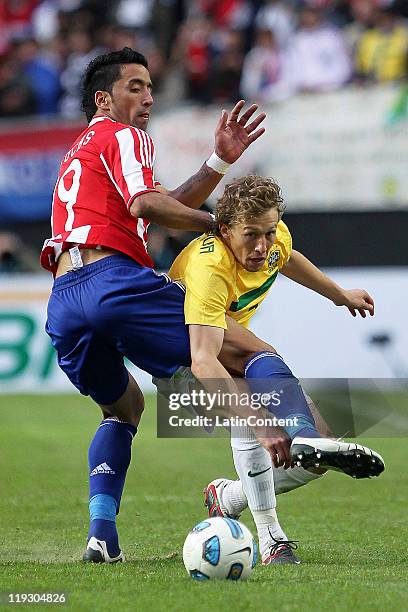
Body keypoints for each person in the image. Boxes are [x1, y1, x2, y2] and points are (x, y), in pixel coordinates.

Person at [41, 46, 268, 563]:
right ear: (105, 97)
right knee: (240, 349)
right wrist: (223, 224)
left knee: (124, 408)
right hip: (113, 283)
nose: (147, 96)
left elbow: (154, 206)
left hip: (66, 298)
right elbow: (149, 205)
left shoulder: (82, 150)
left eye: (149, 87)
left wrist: (217, 163)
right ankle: (302, 441)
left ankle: (102, 534)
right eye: (135, 86)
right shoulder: (126, 135)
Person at [168, 174, 385, 564]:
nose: (262, 245)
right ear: (224, 229)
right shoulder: (208, 267)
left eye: (268, 232)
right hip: (180, 359)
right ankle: (272, 540)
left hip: (226, 349)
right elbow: (203, 359)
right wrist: (262, 422)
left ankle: (230, 496)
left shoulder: (271, 238)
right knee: (257, 384)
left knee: (318, 452)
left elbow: (286, 257)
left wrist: (339, 295)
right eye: (251, 235)